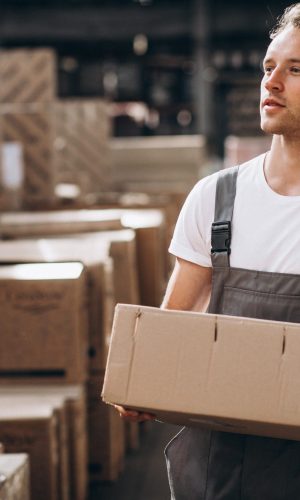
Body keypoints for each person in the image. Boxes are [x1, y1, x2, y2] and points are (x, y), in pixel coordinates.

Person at [116, 3, 300, 498]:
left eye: (295, 69)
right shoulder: (217, 199)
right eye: (268, 67)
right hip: (221, 470)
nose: (272, 82)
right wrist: (143, 379)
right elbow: (175, 322)